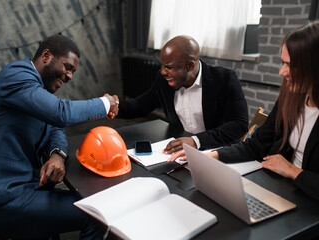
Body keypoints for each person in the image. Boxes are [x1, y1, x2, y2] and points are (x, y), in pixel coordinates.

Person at [0, 35, 119, 239]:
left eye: (73, 71)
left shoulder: (37, 89)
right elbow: (61, 113)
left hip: (24, 189)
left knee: (85, 206)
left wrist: (57, 155)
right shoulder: (16, 75)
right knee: (97, 214)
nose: (70, 76)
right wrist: (105, 103)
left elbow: (56, 127)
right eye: (67, 67)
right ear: (46, 56)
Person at [177, 21, 319, 200]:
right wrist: (210, 156)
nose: (282, 72)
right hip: (281, 187)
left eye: (290, 65)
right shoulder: (291, 98)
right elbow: (256, 145)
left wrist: (294, 171)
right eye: (282, 63)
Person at [118, 35, 248, 154]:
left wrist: (197, 141)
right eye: (162, 66)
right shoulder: (163, 80)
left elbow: (239, 125)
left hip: (216, 153)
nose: (163, 72)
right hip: (181, 154)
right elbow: (140, 105)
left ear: (190, 66)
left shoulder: (224, 79)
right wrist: (109, 105)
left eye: (168, 67)